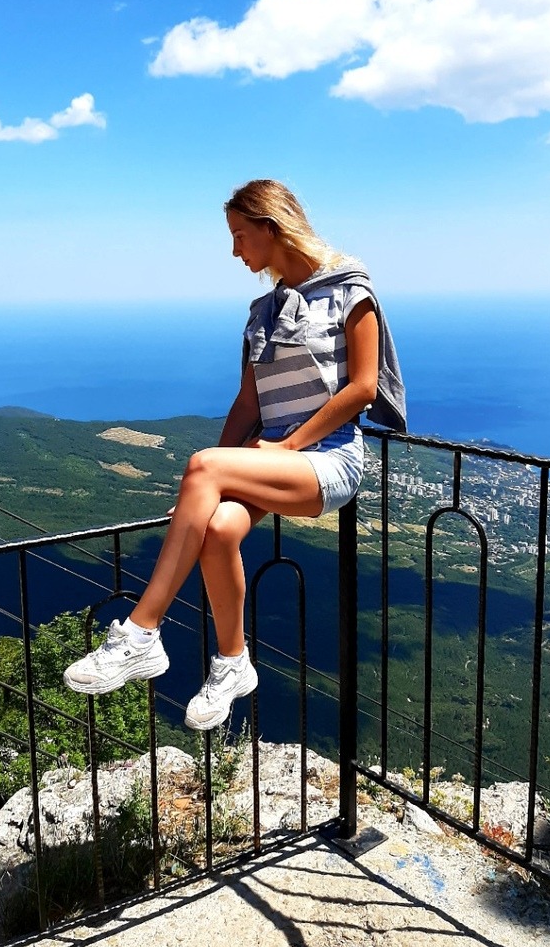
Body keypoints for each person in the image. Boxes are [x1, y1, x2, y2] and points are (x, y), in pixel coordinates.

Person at [63, 179, 406, 730]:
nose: (234, 250)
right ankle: (232, 662)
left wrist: (282, 446)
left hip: (329, 458)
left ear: (272, 227)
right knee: (219, 528)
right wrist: (206, 492)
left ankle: (141, 633)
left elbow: (363, 388)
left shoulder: (351, 291)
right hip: (271, 457)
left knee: (203, 464)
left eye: (240, 235)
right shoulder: (262, 312)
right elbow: (249, 402)